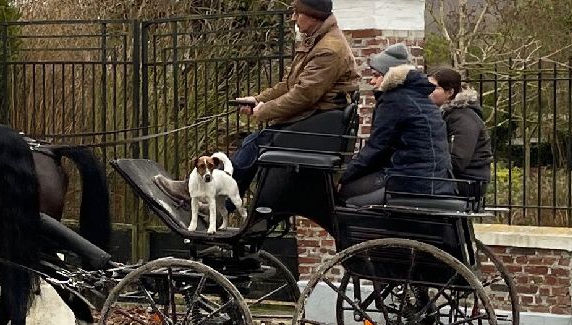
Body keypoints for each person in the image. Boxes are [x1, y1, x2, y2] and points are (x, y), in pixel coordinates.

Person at [154, 0, 360, 202]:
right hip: (315, 120)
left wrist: (265, 110)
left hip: (318, 126)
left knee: (255, 144)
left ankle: (211, 197)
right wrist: (257, 100)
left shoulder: (328, 50)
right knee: (254, 142)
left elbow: (303, 95)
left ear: (313, 16)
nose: (293, 18)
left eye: (298, 13)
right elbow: (289, 85)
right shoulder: (317, 41)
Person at [339, 44, 454, 206]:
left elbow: (376, 147)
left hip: (412, 181)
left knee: (344, 195)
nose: (372, 81)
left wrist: (343, 176)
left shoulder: (395, 99)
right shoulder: (418, 97)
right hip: (434, 180)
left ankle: (370, 231)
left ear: (389, 76)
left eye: (376, 75)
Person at [430, 67, 491, 193]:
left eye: (434, 88)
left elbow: (458, 161)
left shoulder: (462, 118)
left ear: (450, 92)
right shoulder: (447, 115)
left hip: (467, 182)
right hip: (456, 179)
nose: (428, 92)